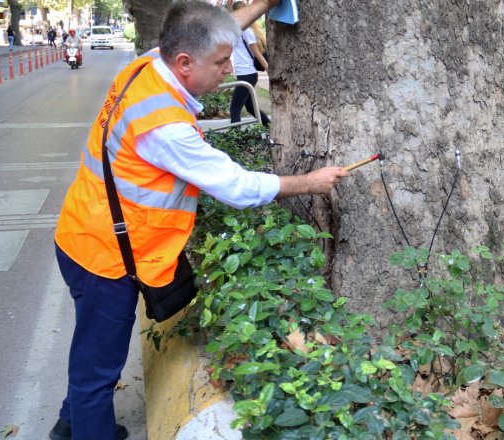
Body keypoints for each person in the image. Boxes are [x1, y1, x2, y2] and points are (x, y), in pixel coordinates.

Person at [49, 1, 348, 439]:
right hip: (104, 257)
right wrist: (309, 182)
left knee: (93, 349)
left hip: (85, 230)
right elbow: (236, 186)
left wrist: (262, 5)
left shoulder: (148, 66)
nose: (230, 69)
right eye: (222, 62)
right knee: (98, 367)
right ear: (185, 63)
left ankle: (70, 421)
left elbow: (214, 33)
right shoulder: (164, 128)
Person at [229, 1, 271, 126]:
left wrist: (270, 73)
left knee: (234, 109)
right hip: (243, 74)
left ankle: (235, 137)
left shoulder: (247, 32)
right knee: (251, 108)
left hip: (248, 74)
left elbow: (257, 54)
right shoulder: (237, 31)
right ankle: (269, 127)